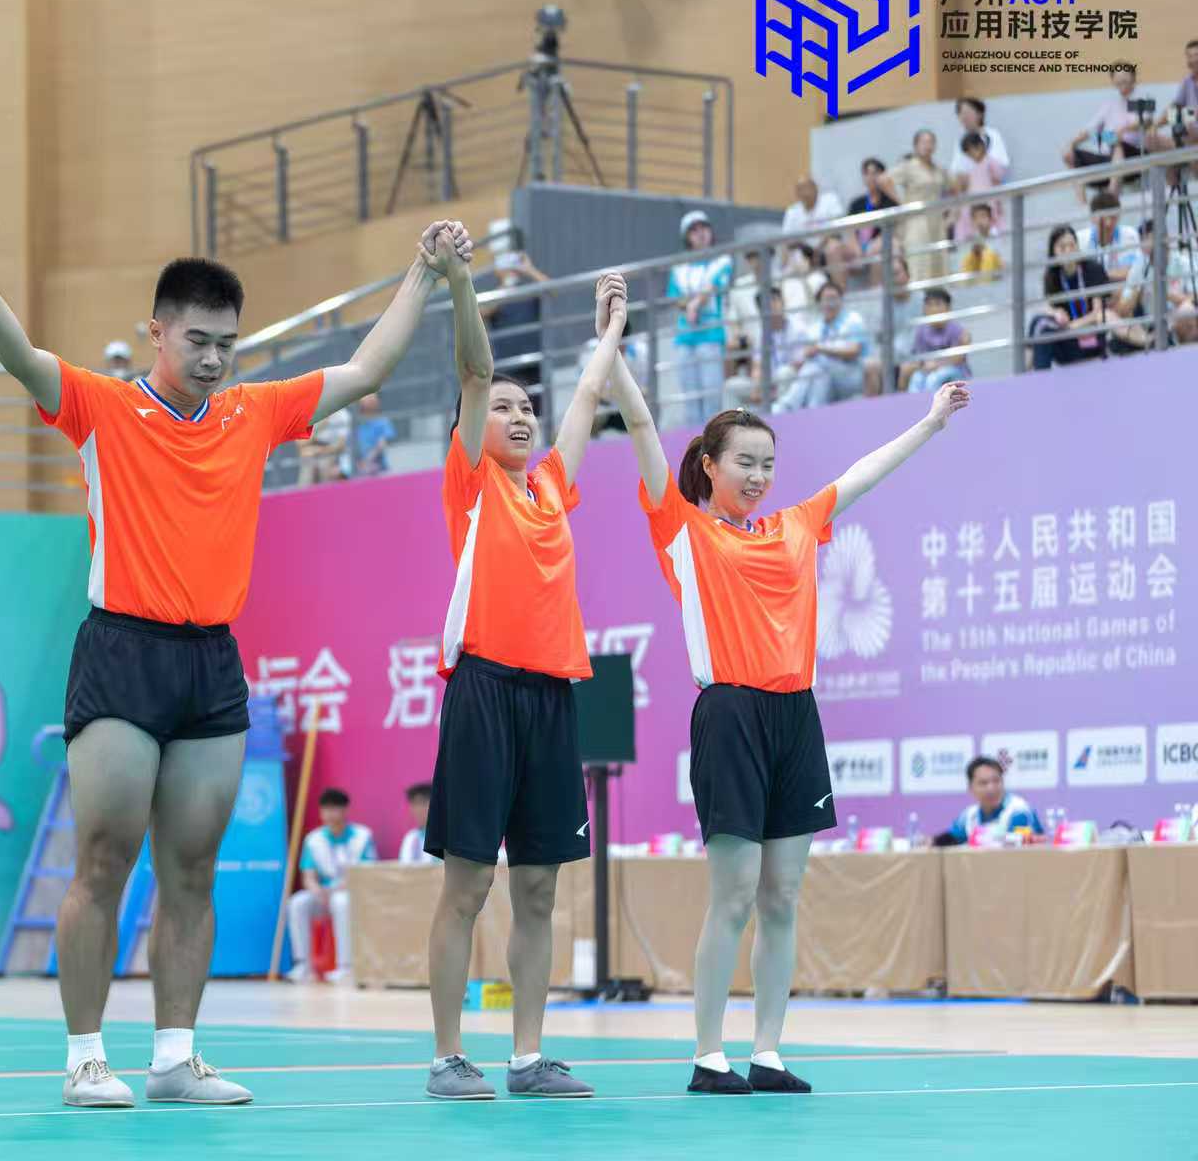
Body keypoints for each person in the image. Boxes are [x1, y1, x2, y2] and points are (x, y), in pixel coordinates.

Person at [0, 188, 466, 1109]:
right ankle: (85, 1058)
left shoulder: (253, 412)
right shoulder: (101, 407)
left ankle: (175, 1058)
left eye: (228, 342)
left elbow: (365, 366)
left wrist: (424, 274)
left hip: (212, 662)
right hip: (121, 651)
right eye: (199, 340)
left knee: (191, 867)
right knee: (104, 859)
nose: (216, 358)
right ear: (157, 332)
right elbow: (20, 355)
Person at [599, 333, 969, 1097]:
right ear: (710, 465)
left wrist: (932, 423)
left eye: (768, 463)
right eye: (745, 462)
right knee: (734, 894)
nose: (759, 476)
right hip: (730, 714)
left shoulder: (797, 524)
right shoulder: (683, 530)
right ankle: (709, 1055)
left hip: (796, 715)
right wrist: (614, 348)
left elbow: (863, 473)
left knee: (783, 896)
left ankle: (766, 1051)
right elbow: (640, 426)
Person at [420, 254, 631, 1104]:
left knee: (539, 889)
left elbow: (585, 398)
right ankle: (447, 1057)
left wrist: (610, 333)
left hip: (551, 700)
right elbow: (475, 371)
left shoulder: (548, 487)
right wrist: (461, 283)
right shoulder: (471, 484)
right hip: (483, 693)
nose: (519, 416)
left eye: (526, 408)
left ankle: (527, 1058)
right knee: (468, 885)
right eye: (504, 407)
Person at [287, 788, 376, 983]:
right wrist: (317, 891)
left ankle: (345, 966)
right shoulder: (313, 839)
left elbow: (365, 873)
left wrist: (335, 890)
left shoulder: (362, 836)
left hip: (352, 894)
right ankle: (303, 965)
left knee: (340, 901)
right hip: (323, 895)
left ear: (345, 810)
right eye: (326, 809)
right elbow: (308, 876)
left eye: (335, 809)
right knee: (297, 902)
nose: (330, 814)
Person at [666, 211, 731, 428]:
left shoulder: (722, 260)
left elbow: (712, 287)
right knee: (691, 402)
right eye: (693, 230)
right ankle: (695, 445)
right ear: (687, 237)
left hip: (711, 336)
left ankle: (714, 444)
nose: (700, 233)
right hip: (685, 338)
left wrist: (694, 304)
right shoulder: (679, 269)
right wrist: (689, 305)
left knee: (712, 399)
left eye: (704, 227)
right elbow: (676, 298)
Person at [772, 282, 868, 412]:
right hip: (824, 375)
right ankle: (813, 411)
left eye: (834, 298)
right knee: (817, 374)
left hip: (850, 375)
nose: (830, 303)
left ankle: (787, 405)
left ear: (841, 301)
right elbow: (807, 353)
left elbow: (854, 351)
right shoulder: (816, 327)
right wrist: (810, 352)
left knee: (816, 367)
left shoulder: (853, 319)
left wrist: (821, 350)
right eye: (826, 299)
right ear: (820, 303)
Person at [482, 219, 552, 393]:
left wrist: (529, 269)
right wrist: (506, 284)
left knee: (536, 404)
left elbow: (552, 290)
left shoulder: (529, 290)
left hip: (535, 361)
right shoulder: (495, 296)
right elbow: (483, 312)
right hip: (508, 367)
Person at [1029, 225, 1112, 370]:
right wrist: (1055, 313)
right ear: (1053, 252)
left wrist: (1072, 326)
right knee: (1039, 324)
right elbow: (1051, 308)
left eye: (1072, 245)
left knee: (1040, 325)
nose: (1068, 251)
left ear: (1078, 247)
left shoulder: (1092, 268)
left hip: (1091, 341)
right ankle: (1031, 375)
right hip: (1068, 342)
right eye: (1062, 247)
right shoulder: (1052, 276)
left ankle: (1029, 376)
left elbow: (1098, 313)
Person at [721, 286, 814, 413]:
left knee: (784, 373)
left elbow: (799, 365)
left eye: (774, 301)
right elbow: (757, 366)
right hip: (768, 383)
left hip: (793, 381)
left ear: (783, 302)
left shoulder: (797, 328)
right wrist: (757, 388)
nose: (771, 306)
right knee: (731, 386)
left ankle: (782, 418)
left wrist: (772, 387)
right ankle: (730, 424)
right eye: (765, 304)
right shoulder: (762, 333)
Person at [1062, 65, 1148, 196]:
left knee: (1115, 141)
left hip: (1133, 155)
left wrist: (1120, 132)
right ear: (1113, 80)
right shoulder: (1109, 105)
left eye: (1125, 76)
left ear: (1133, 78)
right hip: (1108, 156)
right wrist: (1071, 143)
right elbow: (1090, 130)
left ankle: (1112, 194)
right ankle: (1082, 204)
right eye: (1118, 77)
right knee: (1070, 154)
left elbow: (1146, 122)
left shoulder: (1142, 99)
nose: (1121, 80)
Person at [888, 130, 954, 282]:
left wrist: (952, 215)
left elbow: (954, 187)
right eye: (924, 142)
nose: (927, 146)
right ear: (915, 145)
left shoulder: (938, 169)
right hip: (916, 221)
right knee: (920, 264)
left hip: (937, 220)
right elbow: (885, 180)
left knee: (939, 265)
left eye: (931, 142)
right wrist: (901, 203)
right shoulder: (909, 166)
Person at [947, 757, 1045, 843]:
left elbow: (1015, 846)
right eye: (983, 783)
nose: (991, 788)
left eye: (996, 781)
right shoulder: (969, 815)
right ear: (970, 788)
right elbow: (950, 840)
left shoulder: (1019, 810)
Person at [898, 288, 972, 392]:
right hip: (928, 368)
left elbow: (957, 359)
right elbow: (919, 356)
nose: (933, 309)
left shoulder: (957, 329)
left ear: (948, 308)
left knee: (933, 379)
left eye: (938, 304)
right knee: (916, 378)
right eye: (929, 305)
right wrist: (921, 366)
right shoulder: (921, 330)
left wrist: (936, 365)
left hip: (954, 370)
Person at [1077, 190, 1142, 283]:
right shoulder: (1080, 239)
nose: (1108, 223)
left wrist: (1098, 275)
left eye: (1112, 217)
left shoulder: (1130, 235)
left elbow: (1133, 272)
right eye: (1103, 218)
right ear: (1092, 217)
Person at [951, 133, 1006, 243]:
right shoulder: (969, 167)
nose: (971, 155)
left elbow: (998, 179)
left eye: (972, 150)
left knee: (991, 231)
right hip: (971, 205)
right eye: (968, 153)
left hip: (988, 204)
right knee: (968, 229)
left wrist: (998, 203)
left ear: (981, 146)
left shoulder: (990, 162)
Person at [846, 156, 901, 261]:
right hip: (859, 249)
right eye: (867, 173)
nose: (871, 178)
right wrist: (856, 247)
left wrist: (890, 190)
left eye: (875, 173)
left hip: (881, 248)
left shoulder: (890, 202)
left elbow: (897, 228)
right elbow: (851, 232)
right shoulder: (856, 204)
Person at [946, 97, 1010, 176]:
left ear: (980, 114)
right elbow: (956, 169)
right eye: (960, 113)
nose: (964, 117)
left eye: (967, 113)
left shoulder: (992, 135)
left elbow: (1002, 162)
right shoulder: (960, 140)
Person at [780, 177, 845, 236]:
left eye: (807, 188)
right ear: (797, 194)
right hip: (801, 244)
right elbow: (786, 236)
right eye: (800, 189)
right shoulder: (792, 211)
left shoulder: (830, 200)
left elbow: (838, 225)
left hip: (828, 241)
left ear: (816, 188)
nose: (805, 192)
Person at [352, 392, 397, 476]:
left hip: (380, 469)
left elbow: (382, 445)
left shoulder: (383, 422)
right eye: (367, 397)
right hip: (358, 470)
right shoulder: (356, 424)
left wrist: (367, 460)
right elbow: (351, 447)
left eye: (373, 397)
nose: (371, 399)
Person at [958, 203, 1005, 278]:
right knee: (968, 259)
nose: (979, 221)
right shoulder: (974, 237)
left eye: (982, 217)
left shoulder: (998, 234)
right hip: (979, 269)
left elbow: (1001, 259)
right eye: (976, 218)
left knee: (988, 255)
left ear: (990, 219)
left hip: (996, 270)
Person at [398, 782, 434, 864]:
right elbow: (403, 868)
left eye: (423, 803)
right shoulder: (411, 838)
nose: (418, 810)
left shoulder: (447, 837)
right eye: (414, 804)